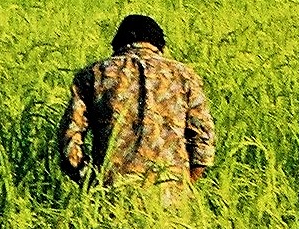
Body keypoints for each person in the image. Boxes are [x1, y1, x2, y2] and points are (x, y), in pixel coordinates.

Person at [59, 14, 215, 195]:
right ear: (161, 47)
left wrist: (92, 181)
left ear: (116, 45)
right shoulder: (185, 76)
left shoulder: (93, 75)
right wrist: (183, 185)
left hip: (111, 195)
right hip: (171, 197)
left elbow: (68, 140)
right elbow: (204, 139)